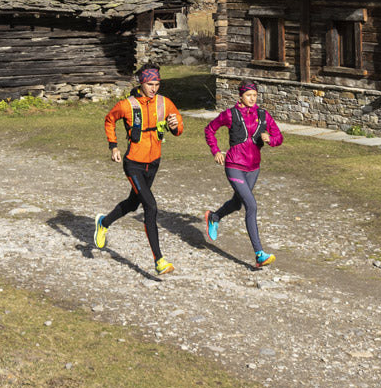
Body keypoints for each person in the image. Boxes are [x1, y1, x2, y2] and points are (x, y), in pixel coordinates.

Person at [93, 63, 185, 276]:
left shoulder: (164, 103)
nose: (154, 88)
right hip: (133, 163)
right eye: (150, 84)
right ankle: (159, 260)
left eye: (157, 84)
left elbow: (178, 128)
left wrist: (175, 126)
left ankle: (103, 222)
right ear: (141, 83)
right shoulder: (127, 105)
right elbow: (109, 120)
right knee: (151, 207)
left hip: (153, 163)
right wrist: (113, 145)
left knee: (133, 203)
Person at [202, 80, 283, 268]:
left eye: (255, 95)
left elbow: (279, 137)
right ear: (241, 96)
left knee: (238, 203)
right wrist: (215, 151)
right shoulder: (230, 115)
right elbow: (210, 129)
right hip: (234, 165)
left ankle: (214, 217)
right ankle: (259, 254)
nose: (252, 99)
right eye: (248, 95)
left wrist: (270, 139)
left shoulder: (263, 115)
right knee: (251, 205)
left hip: (254, 167)